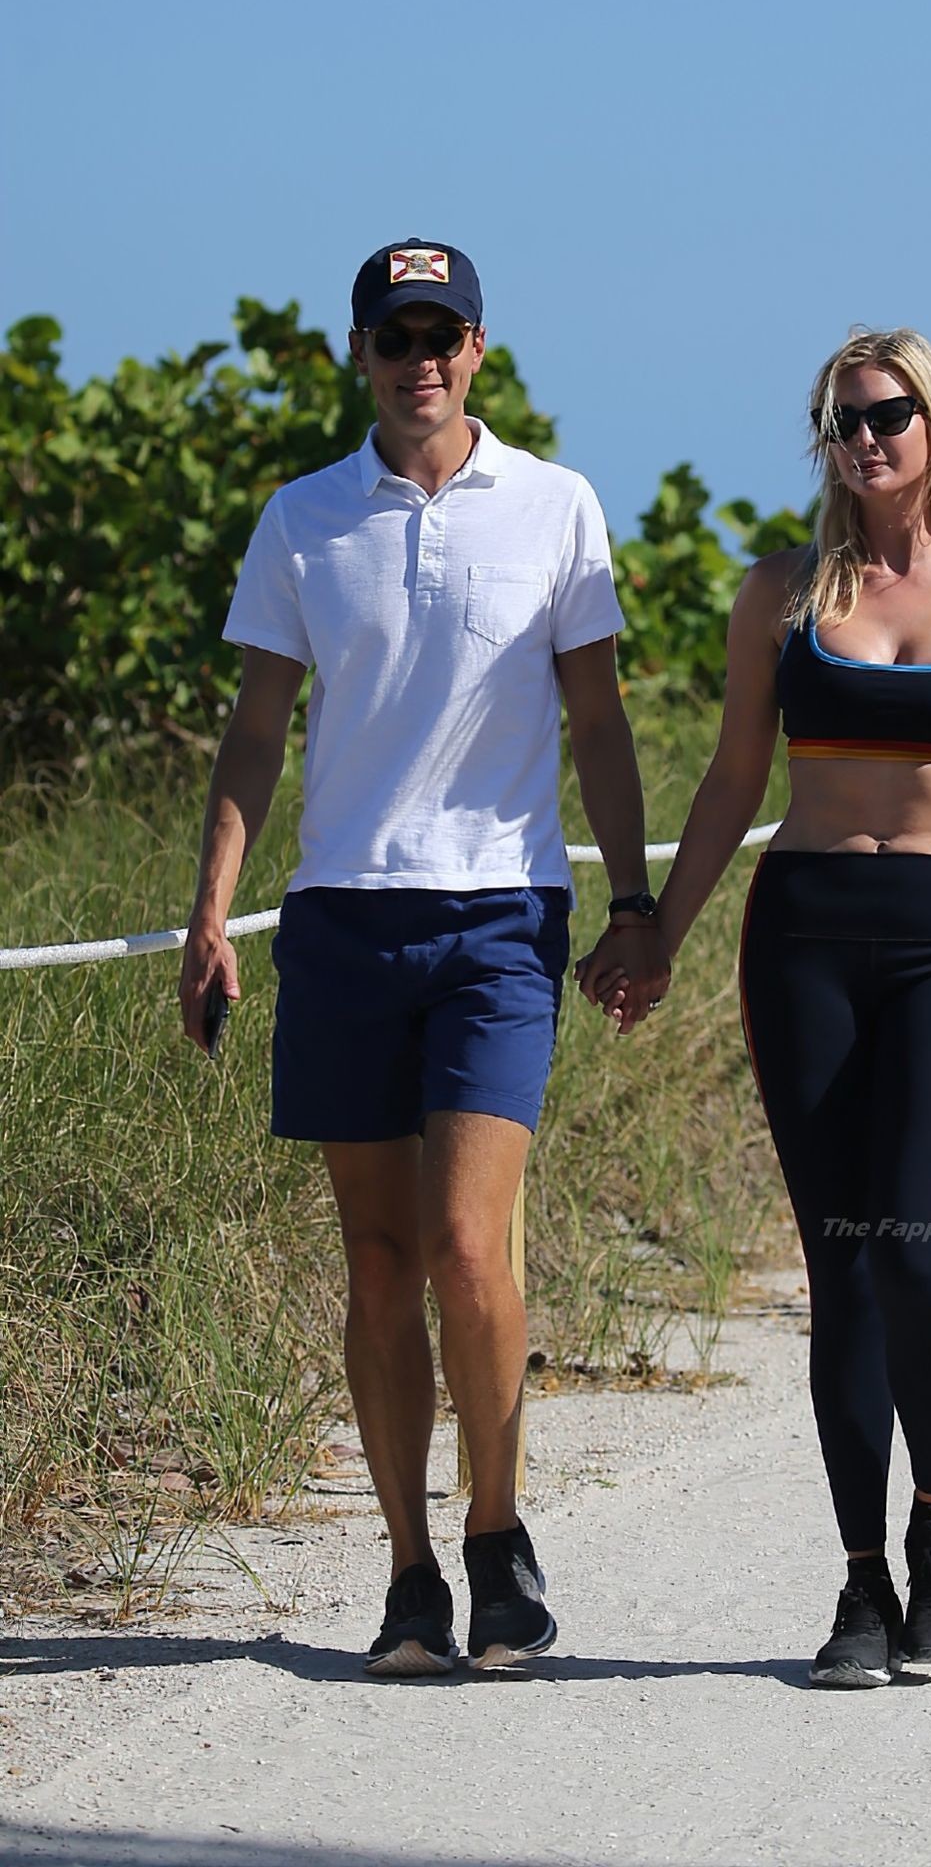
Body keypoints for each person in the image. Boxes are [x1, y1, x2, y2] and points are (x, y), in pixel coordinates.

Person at [179, 237, 671, 1677]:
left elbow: (597, 722)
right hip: (343, 920)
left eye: (441, 335)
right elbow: (256, 732)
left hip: (500, 919)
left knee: (465, 1244)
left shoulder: (556, 504)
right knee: (380, 1260)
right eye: (395, 338)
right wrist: (211, 916)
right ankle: (409, 1574)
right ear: (361, 353)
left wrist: (633, 903)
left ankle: (498, 1536)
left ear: (478, 349)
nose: (420, 362)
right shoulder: (303, 518)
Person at [577, 326, 931, 1687]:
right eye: (843, 421)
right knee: (840, 1264)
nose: (866, 439)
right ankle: (860, 1583)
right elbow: (733, 779)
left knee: (911, 1248)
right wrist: (655, 929)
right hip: (802, 934)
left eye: (888, 414)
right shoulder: (780, 594)